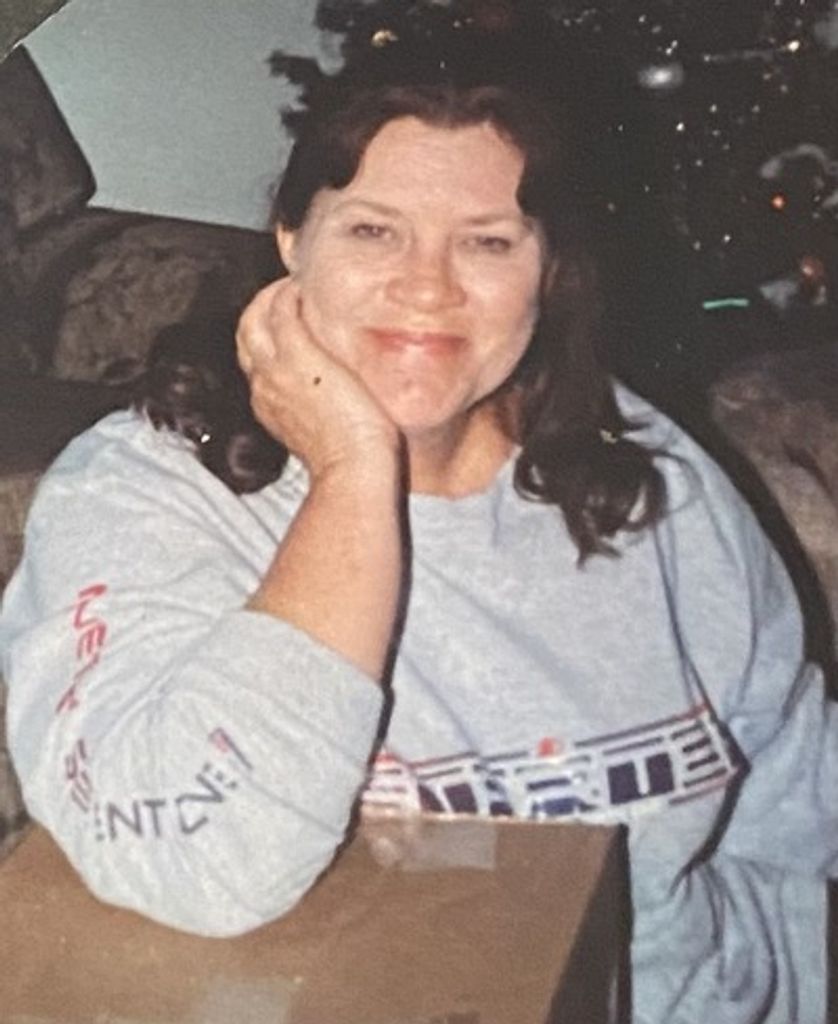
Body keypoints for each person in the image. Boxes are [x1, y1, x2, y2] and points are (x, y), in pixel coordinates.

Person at [1, 5, 837, 1022]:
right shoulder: (139, 495)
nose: (427, 288)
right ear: (291, 240)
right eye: (373, 230)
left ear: (546, 271)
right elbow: (196, 858)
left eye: (486, 242)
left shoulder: (647, 473)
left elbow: (793, 797)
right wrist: (354, 472)